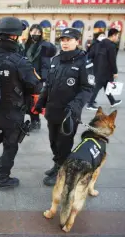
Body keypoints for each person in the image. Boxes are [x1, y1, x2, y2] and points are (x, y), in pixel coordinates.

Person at [0, 17, 42, 189]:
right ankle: (3, 179)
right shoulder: (20, 61)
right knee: (10, 146)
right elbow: (36, 86)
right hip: (13, 112)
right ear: (15, 37)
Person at [34, 28, 94, 186]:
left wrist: (74, 106)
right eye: (63, 40)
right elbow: (48, 84)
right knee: (53, 141)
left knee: (64, 143)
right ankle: (57, 164)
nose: (65, 43)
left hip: (69, 113)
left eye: (69, 40)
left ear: (77, 41)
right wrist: (41, 101)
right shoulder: (56, 59)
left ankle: (63, 171)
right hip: (53, 110)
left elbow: (87, 88)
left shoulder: (84, 62)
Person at [23, 24, 56, 131]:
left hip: (36, 78)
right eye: (33, 32)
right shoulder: (26, 44)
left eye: (38, 32)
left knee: (35, 100)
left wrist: (43, 78)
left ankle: (35, 121)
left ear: (41, 33)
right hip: (25, 76)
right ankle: (27, 120)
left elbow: (45, 63)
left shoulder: (43, 46)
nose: (35, 34)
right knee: (25, 99)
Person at [86, 28, 122, 111]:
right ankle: (90, 104)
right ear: (113, 35)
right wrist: (115, 72)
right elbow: (112, 60)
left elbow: (92, 54)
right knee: (97, 87)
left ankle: (112, 101)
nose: (118, 38)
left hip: (98, 68)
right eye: (117, 36)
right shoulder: (111, 45)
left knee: (106, 86)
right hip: (105, 70)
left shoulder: (99, 43)